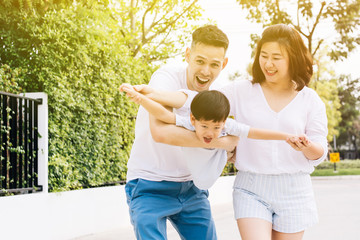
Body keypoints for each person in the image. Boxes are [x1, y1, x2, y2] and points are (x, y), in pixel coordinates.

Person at [124, 25, 235, 240]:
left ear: (224, 64)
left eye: (214, 64)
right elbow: (162, 133)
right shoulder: (165, 78)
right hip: (149, 185)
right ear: (187, 55)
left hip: (191, 188)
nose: (205, 71)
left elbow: (233, 139)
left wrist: (224, 144)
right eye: (200, 61)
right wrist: (217, 142)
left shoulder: (218, 95)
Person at [220, 24, 328, 240]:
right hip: (251, 188)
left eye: (276, 57)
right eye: (264, 55)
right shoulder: (241, 91)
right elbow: (203, 104)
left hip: (294, 190)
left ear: (293, 59)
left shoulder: (310, 100)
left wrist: (307, 147)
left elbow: (319, 151)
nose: (268, 63)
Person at [120, 85, 295, 190]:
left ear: (224, 121)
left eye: (216, 127)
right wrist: (140, 99)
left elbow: (256, 132)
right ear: (193, 119)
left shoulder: (227, 125)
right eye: (204, 126)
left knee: (232, 141)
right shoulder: (190, 124)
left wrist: (286, 136)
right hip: (197, 175)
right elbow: (164, 115)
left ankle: (226, 155)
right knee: (223, 141)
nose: (210, 133)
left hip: (214, 167)